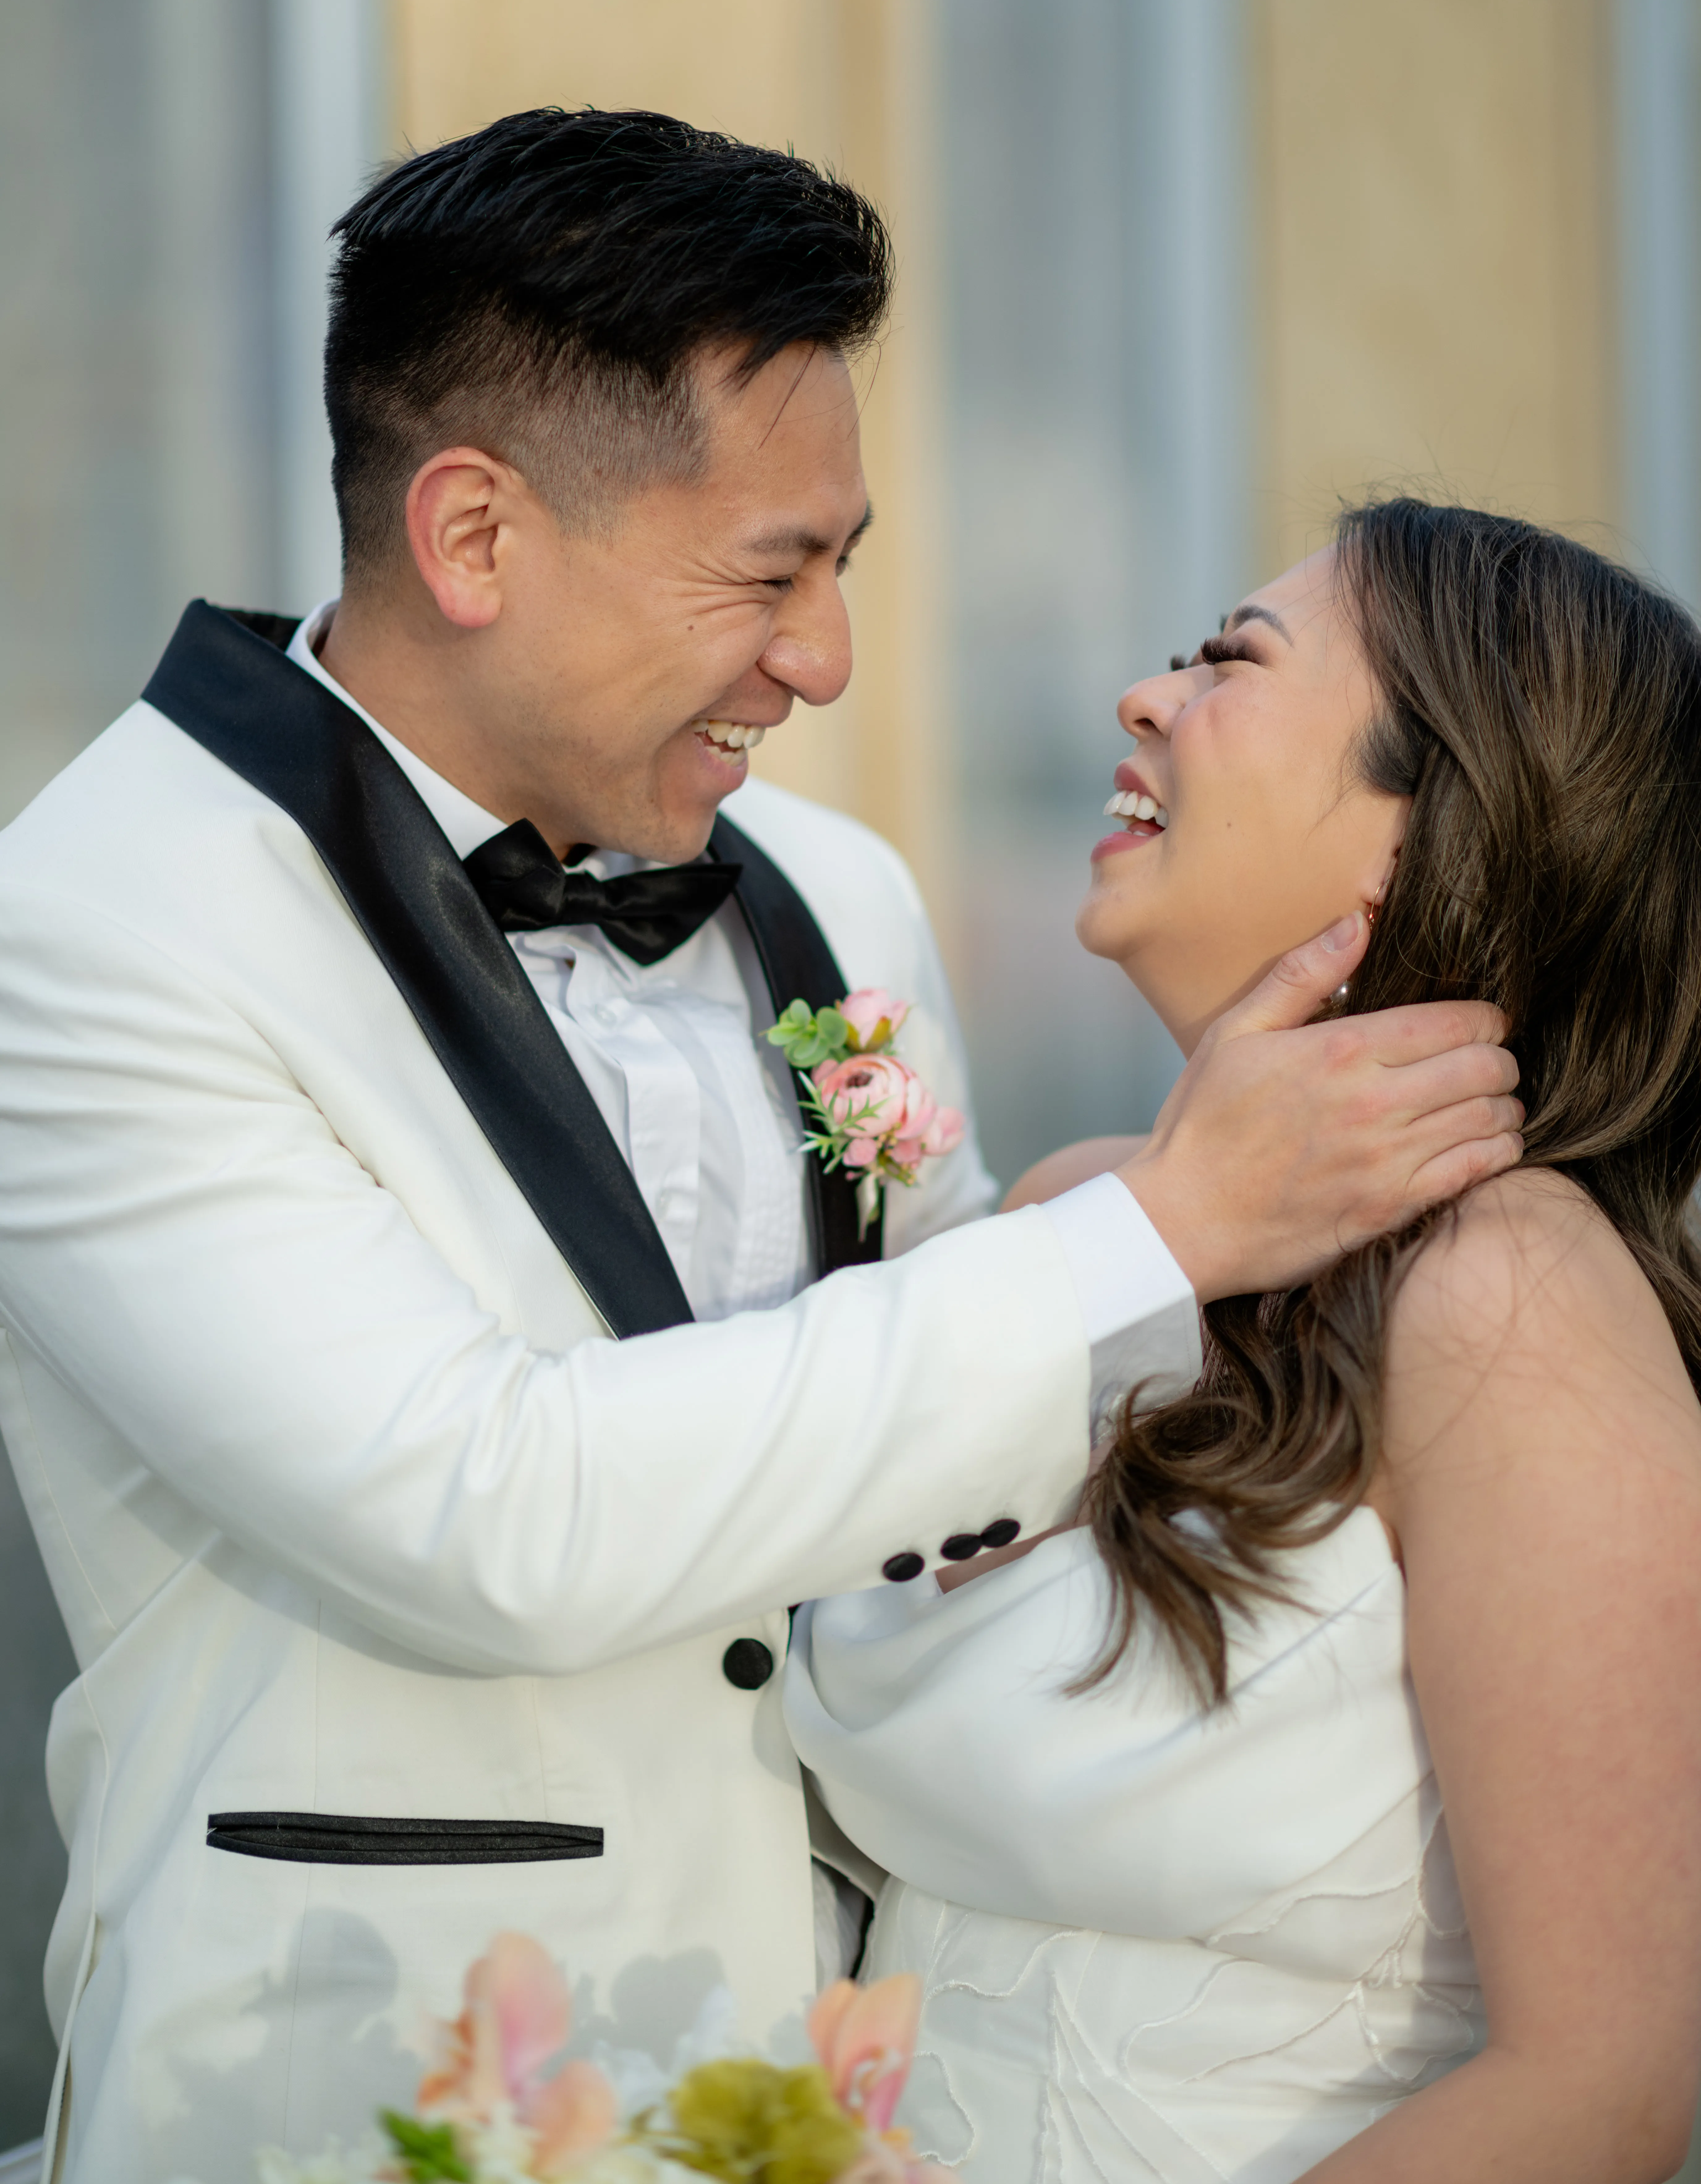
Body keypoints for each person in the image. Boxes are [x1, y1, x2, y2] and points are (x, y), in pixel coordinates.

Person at [0, 115, 1520, 2184]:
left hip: (849, 2090)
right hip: (350, 2095)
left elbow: (938, 1444)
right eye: (769, 572)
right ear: (472, 537)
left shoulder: (831, 893)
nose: (826, 658)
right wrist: (1161, 1224)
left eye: (846, 563)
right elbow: (483, 1512)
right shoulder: (95, 930)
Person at [789, 498, 1701, 2184]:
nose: (1143, 697)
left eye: (1228, 662)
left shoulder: (1505, 1299)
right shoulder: (1075, 1219)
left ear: (1429, 835)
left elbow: (1605, 2091)